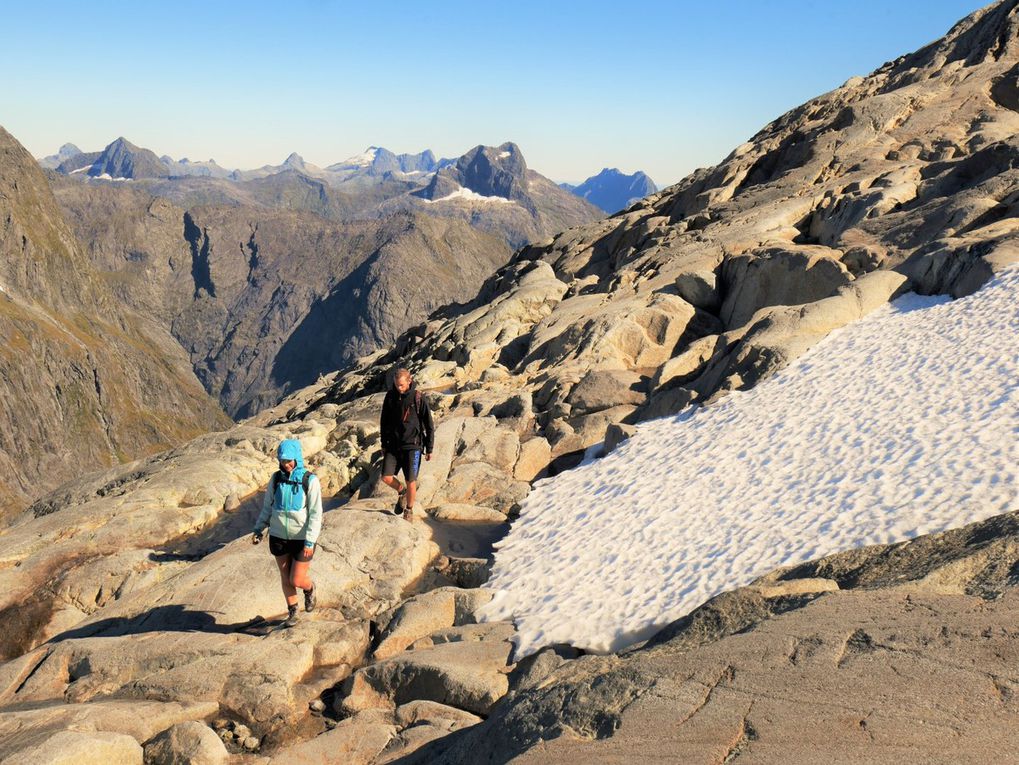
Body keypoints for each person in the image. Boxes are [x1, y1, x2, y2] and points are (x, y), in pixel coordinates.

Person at [251, 438, 322, 627]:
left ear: (298, 458)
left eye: (289, 460)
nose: (286, 464)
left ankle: (310, 588)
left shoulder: (310, 480)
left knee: (296, 579)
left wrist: (310, 541)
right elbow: (267, 507)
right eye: (283, 460)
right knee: (285, 578)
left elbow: (316, 514)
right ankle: (293, 613)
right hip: (278, 536)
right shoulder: (275, 479)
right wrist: (259, 529)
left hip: (302, 539)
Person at [380, 368, 434, 520]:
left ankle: (409, 510)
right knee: (386, 477)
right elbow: (384, 421)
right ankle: (401, 491)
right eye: (397, 385)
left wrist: (429, 448)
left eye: (402, 385)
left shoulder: (418, 397)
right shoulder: (390, 396)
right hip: (393, 444)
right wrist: (384, 443)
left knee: (411, 480)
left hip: (413, 445)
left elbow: (428, 424)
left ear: (409, 381)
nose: (399, 388)